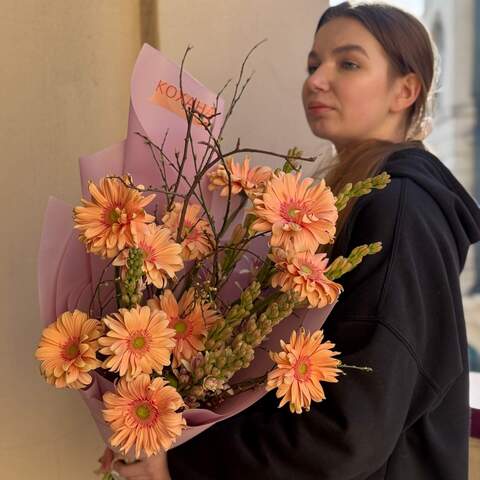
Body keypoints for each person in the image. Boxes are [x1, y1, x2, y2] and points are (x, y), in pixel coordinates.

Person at [99, 2, 480, 478]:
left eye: (348, 63)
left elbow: (351, 426)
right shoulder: (356, 197)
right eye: (312, 64)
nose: (317, 80)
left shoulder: (400, 208)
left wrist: (180, 464)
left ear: (405, 90)